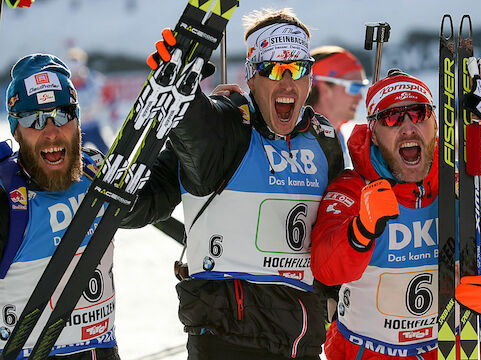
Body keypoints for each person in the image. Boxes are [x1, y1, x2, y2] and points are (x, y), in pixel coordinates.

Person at [122, 8, 344, 360]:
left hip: (301, 342)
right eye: (273, 69)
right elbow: (195, 126)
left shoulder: (326, 141)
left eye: (298, 69)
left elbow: (334, 239)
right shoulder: (227, 127)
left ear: (310, 78)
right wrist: (183, 79)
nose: (287, 82)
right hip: (228, 339)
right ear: (251, 77)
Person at [310, 68, 481, 359]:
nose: (407, 127)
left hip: (445, 351)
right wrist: (361, 230)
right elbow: (325, 267)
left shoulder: (467, 186)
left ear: (436, 124)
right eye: (391, 117)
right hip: (364, 351)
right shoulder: (355, 187)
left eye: (418, 113)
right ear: (373, 134)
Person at [0, 54, 119, 359]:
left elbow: (158, 196)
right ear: (15, 130)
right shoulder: (7, 199)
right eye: (33, 119)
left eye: (63, 114)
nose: (51, 131)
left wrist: (211, 123)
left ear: (78, 121)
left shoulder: (97, 174)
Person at [306, 46, 368, 167]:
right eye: (354, 88)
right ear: (325, 88)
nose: (360, 97)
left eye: (361, 88)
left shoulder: (336, 134)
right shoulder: (296, 137)